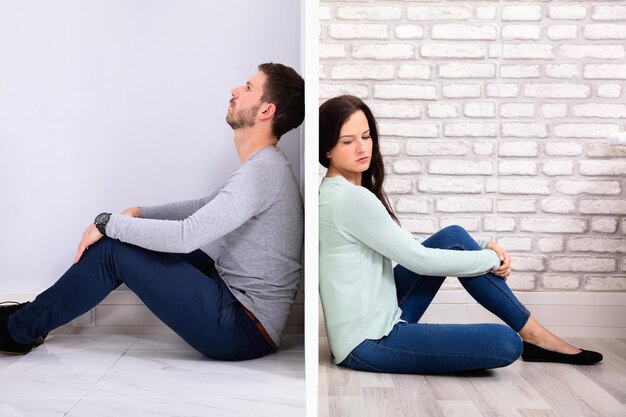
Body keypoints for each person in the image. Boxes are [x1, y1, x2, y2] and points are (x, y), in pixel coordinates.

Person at [0, 62, 305, 361]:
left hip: (242, 328)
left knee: (114, 250)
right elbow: (203, 207)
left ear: (266, 111)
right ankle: (28, 317)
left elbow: (186, 236)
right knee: (126, 239)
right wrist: (140, 213)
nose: (235, 89)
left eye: (248, 87)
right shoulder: (265, 166)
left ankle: (19, 330)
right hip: (232, 300)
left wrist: (107, 223)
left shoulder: (263, 171)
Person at [318, 95, 602, 374]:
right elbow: (420, 260)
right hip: (370, 342)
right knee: (506, 343)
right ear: (327, 149)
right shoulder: (351, 200)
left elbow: (402, 242)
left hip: (379, 317)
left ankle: (538, 337)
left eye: (366, 137)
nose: (362, 147)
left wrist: (480, 245)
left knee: (452, 237)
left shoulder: (339, 193)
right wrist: (489, 259)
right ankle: (534, 337)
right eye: (347, 141)